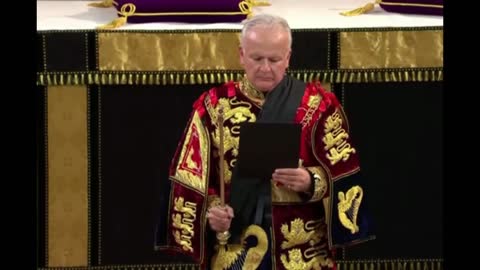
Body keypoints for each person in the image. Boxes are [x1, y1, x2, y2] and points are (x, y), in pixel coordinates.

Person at [162, 14, 374, 270]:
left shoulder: (319, 105)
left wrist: (311, 181)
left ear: (288, 57)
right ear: (241, 55)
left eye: (274, 60)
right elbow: (189, 179)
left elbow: (345, 175)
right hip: (237, 247)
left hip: (303, 249)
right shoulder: (213, 106)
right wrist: (213, 212)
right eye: (256, 58)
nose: (265, 68)